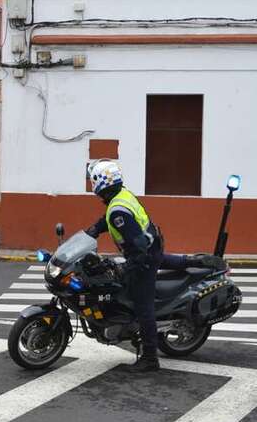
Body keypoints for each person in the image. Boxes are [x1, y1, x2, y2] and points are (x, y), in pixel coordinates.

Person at [85, 159, 223, 373]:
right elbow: (110, 218)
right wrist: (93, 231)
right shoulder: (122, 196)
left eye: (93, 181)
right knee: (158, 259)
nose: (92, 185)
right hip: (153, 245)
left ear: (101, 182)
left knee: (143, 306)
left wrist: (130, 267)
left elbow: (137, 244)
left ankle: (150, 358)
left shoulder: (118, 210)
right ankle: (195, 261)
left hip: (144, 255)